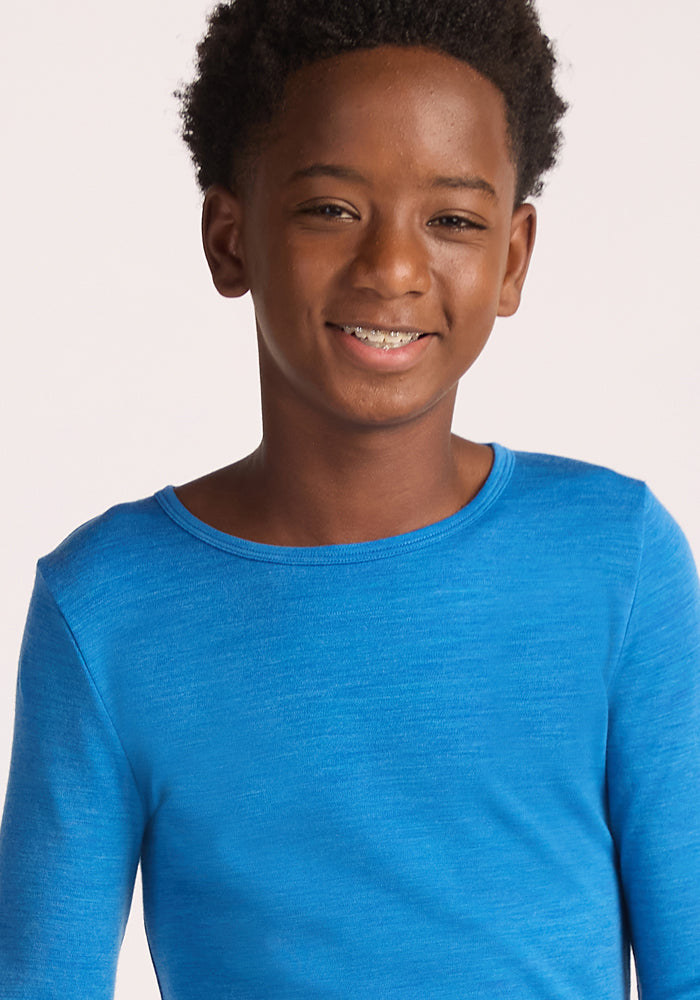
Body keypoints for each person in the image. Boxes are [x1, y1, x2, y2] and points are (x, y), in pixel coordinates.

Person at [1, 0, 698, 997]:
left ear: (510, 257)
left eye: (452, 219)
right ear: (229, 236)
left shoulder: (614, 558)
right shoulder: (104, 607)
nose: (395, 268)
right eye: (332, 208)